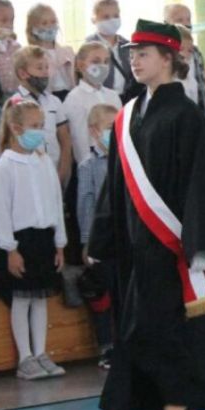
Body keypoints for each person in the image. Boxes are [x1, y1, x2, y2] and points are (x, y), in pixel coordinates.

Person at [88, 19, 205, 410]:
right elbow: (116, 183)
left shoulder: (185, 114)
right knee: (140, 327)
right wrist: (101, 238)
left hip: (172, 244)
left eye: (144, 54)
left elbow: (199, 181)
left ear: (168, 58)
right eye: (132, 54)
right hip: (135, 241)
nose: (135, 61)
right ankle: (170, 403)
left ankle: (180, 406)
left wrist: (198, 241)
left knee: (165, 325)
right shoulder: (128, 115)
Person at [0, 98, 67, 380]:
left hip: (44, 237)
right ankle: (25, 357)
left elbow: (56, 202)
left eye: (42, 125)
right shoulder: (5, 165)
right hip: (21, 241)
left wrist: (60, 242)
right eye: (34, 125)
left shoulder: (44, 161)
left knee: (40, 299)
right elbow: (1, 211)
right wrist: (10, 248)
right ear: (15, 128)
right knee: (22, 299)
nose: (40, 130)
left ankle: (41, 351)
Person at [76, 103, 119, 368]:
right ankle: (106, 346)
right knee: (103, 295)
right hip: (101, 241)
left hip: (124, 238)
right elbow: (86, 204)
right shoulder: (88, 166)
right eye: (109, 127)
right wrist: (87, 242)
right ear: (94, 130)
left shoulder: (127, 161)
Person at [12, 46, 73, 187]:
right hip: (29, 175)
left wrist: (63, 170)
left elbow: (65, 139)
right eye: (39, 68)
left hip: (55, 169)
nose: (45, 73)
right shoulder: (14, 104)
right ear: (23, 73)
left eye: (47, 67)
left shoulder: (54, 101)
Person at [62, 41, 121, 166]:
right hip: (93, 163)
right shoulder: (75, 98)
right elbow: (79, 139)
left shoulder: (113, 95)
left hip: (116, 160)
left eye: (106, 61)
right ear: (81, 65)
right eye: (96, 61)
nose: (102, 66)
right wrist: (87, 166)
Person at [84, 0, 136, 98]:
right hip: (100, 98)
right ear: (94, 20)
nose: (112, 20)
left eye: (116, 16)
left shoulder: (126, 44)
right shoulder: (89, 45)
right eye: (106, 17)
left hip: (126, 97)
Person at [25, 3, 75, 100]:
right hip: (47, 97)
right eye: (44, 23)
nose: (50, 26)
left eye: (53, 22)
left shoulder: (67, 51)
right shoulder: (31, 55)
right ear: (33, 29)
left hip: (70, 95)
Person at [164, 3, 205, 107]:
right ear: (166, 24)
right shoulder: (163, 53)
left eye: (188, 19)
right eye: (179, 20)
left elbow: (202, 86)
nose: (186, 24)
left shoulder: (196, 52)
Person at [176, 25, 205, 110]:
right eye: (181, 49)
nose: (185, 54)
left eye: (189, 51)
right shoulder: (163, 79)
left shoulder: (191, 81)